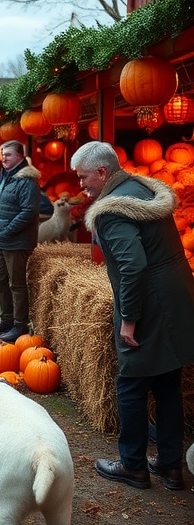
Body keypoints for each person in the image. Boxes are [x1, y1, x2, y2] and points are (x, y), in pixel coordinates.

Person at [70, 140, 194, 491]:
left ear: (102, 172)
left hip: (150, 303)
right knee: (168, 381)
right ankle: (171, 467)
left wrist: (129, 318)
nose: (81, 185)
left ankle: (133, 465)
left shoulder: (112, 210)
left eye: (83, 178)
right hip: (176, 294)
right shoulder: (140, 188)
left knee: (131, 382)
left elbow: (132, 266)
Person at [0, 140, 41, 342]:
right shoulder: (7, 177)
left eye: (8, 154)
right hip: (3, 240)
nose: (3, 158)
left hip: (16, 242)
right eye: (2, 154)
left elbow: (29, 211)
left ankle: (20, 326)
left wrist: (7, 230)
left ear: (20, 156)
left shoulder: (26, 181)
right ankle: (6, 320)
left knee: (17, 285)